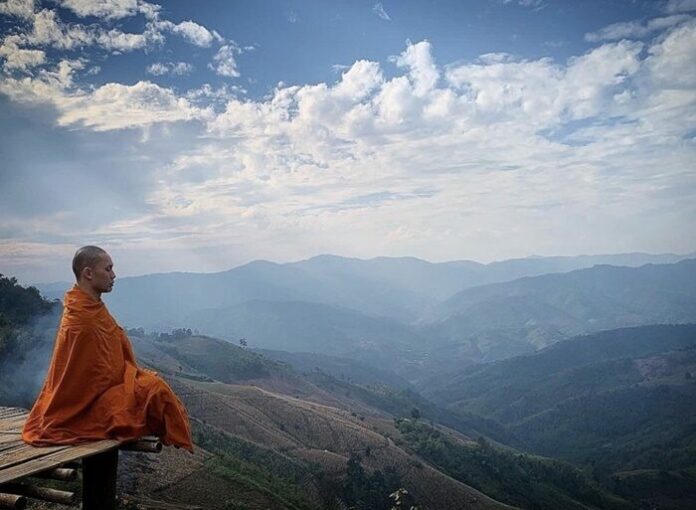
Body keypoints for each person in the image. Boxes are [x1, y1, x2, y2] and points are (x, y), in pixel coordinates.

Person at [22, 246, 193, 452]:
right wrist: (128, 384)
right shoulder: (82, 318)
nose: (114, 275)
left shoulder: (91, 306)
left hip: (107, 386)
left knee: (154, 387)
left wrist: (129, 378)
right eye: (108, 269)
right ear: (88, 273)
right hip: (84, 403)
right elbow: (88, 377)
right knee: (155, 391)